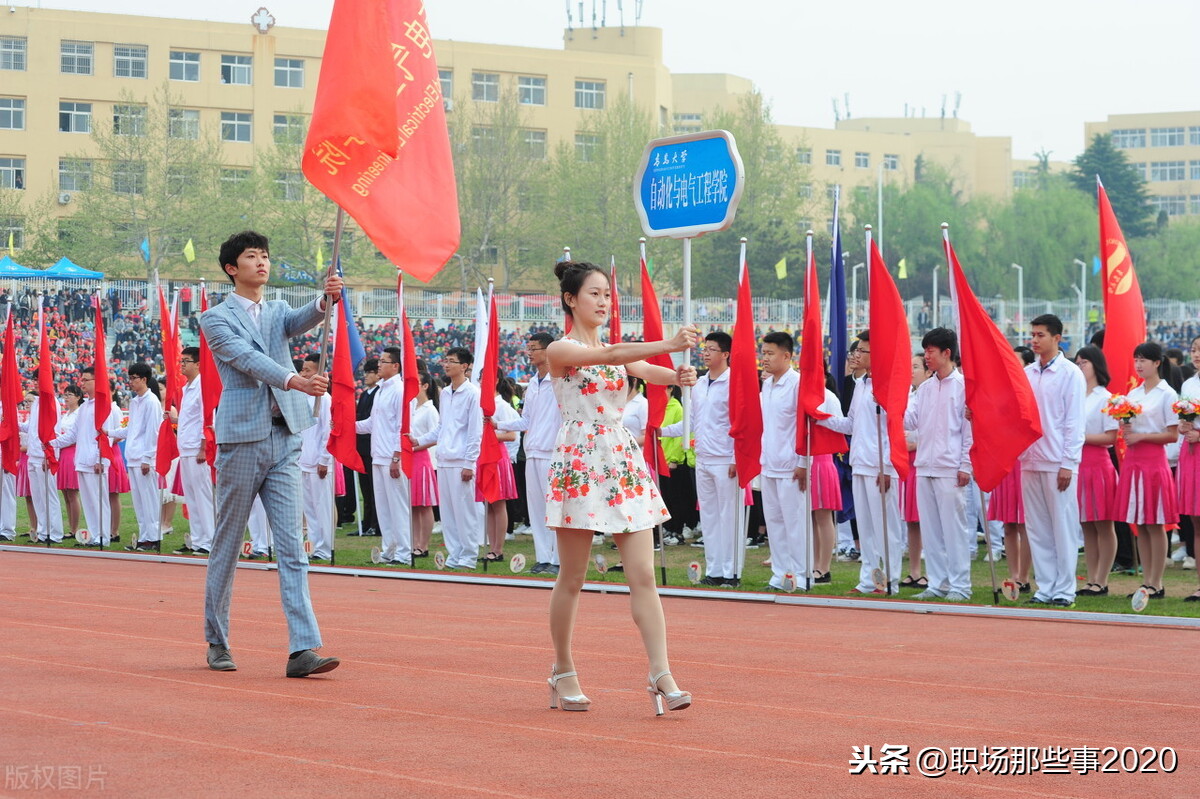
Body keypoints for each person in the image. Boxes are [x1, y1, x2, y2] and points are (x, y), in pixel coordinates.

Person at [543, 260, 697, 714]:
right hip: (580, 460)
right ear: (571, 299)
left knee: (644, 575)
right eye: (594, 294)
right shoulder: (560, 349)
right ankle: (563, 668)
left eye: (608, 295)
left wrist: (678, 375)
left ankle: (660, 672)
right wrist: (670, 343)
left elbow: (651, 372)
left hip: (622, 462)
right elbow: (612, 359)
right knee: (572, 577)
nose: (604, 302)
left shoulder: (614, 347)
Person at [198, 230, 342, 677]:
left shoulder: (277, 309)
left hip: (284, 439)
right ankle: (217, 640)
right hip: (242, 439)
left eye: (265, 256)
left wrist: (326, 299)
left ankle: (303, 649)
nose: (261, 263)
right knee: (227, 543)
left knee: (292, 546)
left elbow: (303, 318)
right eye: (251, 257)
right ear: (231, 268)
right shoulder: (214, 319)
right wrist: (295, 380)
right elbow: (246, 359)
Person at [817, 331, 902, 595]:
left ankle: (891, 580)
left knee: (885, 527)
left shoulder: (889, 385)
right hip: (861, 463)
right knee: (865, 527)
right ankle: (868, 579)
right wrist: (820, 417)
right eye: (857, 351)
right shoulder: (861, 384)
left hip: (881, 467)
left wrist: (887, 467)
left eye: (862, 351)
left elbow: (895, 429)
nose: (856, 355)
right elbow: (851, 424)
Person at [660, 332, 739, 586]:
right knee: (710, 518)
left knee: (729, 517)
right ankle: (714, 570)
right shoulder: (700, 384)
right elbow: (690, 423)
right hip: (703, 458)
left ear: (725, 354)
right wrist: (659, 431)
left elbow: (741, 424)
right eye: (704, 348)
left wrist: (737, 457)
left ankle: (731, 571)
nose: (705, 353)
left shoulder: (734, 383)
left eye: (712, 349)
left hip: (726, 459)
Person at [1020, 314, 1086, 608]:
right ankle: (1045, 587)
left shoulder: (1070, 373)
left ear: (1057, 338)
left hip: (1057, 460)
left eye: (1040, 335)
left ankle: (1065, 589)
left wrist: (1068, 462)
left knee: (1063, 526)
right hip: (1030, 459)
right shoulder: (1028, 374)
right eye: (1032, 334)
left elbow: (1074, 422)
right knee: (1037, 528)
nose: (1034, 340)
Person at [904, 328, 973, 602]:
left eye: (931, 351)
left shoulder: (964, 386)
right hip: (924, 466)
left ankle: (960, 585)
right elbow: (910, 421)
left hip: (950, 467)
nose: (927, 356)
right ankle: (938, 582)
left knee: (954, 529)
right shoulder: (926, 388)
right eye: (926, 351)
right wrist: (891, 402)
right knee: (931, 530)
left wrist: (966, 464)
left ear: (947, 353)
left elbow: (969, 430)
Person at [1116, 341, 1179, 600]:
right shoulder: (1133, 394)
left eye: (1143, 360)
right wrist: (1124, 425)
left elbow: (1172, 434)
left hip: (1154, 462)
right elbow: (1127, 427)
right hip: (1134, 462)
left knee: (1156, 523)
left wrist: (1141, 438)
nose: (1139, 365)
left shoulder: (1167, 394)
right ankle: (1146, 581)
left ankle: (1157, 582)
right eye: (1136, 360)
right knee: (1140, 523)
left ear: (1157, 363)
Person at [759, 331, 821, 591]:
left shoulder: (798, 384)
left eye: (770, 354)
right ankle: (780, 574)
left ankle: (802, 575)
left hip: (791, 465)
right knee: (774, 524)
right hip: (769, 463)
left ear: (787, 355)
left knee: (795, 523)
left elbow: (808, 425)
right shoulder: (767, 384)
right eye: (763, 353)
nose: (765, 358)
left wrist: (803, 462)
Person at [494, 332, 561, 574]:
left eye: (534, 348)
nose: (529, 352)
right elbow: (525, 421)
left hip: (554, 453)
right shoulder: (532, 383)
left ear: (548, 351)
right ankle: (543, 557)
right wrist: (497, 424)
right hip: (532, 452)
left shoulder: (561, 381)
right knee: (537, 509)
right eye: (528, 347)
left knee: (555, 508)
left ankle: (558, 559)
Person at [415, 347, 484, 570]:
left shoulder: (473, 393)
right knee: (448, 513)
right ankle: (454, 554)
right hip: (444, 459)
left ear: (464, 366)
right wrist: (418, 440)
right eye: (445, 361)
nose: (446, 365)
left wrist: (469, 462)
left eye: (451, 361)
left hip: (461, 460)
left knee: (465, 512)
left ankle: (469, 556)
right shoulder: (445, 393)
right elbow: (442, 428)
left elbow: (475, 431)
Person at [49, 367, 122, 547]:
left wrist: (101, 459)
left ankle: (103, 536)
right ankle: (95, 533)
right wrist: (52, 443)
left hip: (96, 461)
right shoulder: (84, 408)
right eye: (82, 380)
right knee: (89, 502)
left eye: (86, 380)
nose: (82, 383)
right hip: (82, 460)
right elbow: (73, 435)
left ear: (97, 382)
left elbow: (108, 437)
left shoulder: (105, 407)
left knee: (99, 500)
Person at [358, 347, 411, 566]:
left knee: (398, 505)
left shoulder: (399, 390)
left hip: (392, 456)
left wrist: (397, 457)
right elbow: (372, 423)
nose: (379, 365)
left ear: (395, 366)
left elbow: (402, 426)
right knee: (384, 507)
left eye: (383, 361)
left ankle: (405, 551)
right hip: (377, 455)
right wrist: (345, 427)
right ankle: (390, 549)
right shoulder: (380, 390)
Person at [1074, 345, 1119, 596]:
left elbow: (1110, 436)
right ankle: (1090, 578)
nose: (1080, 368)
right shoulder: (1076, 393)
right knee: (1086, 524)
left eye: (1084, 363)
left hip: (1098, 463)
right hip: (1078, 463)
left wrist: (1080, 437)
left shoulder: (1106, 397)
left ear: (1096, 365)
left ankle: (1102, 579)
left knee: (1103, 523)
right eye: (1078, 363)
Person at [111, 363, 163, 551]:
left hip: (144, 458)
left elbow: (153, 432)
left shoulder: (152, 402)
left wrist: (147, 458)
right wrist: (108, 432)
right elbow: (131, 429)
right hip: (132, 457)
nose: (131, 382)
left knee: (149, 499)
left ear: (144, 379)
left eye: (134, 378)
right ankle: (144, 537)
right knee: (139, 502)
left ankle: (154, 537)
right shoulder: (135, 402)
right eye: (130, 378)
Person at [172, 347, 214, 555]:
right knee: (192, 497)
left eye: (186, 361)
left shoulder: (202, 386)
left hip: (197, 449)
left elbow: (207, 418)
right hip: (185, 448)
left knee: (203, 496)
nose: (182, 364)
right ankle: (198, 541)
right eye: (182, 361)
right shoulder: (186, 388)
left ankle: (210, 540)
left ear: (198, 364)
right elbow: (190, 419)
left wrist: (203, 446)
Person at [297, 354, 334, 561]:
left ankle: (326, 548)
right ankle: (314, 546)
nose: (303, 374)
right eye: (302, 370)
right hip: (303, 460)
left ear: (320, 372)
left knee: (322, 508)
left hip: (318, 463)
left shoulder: (325, 399)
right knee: (309, 509)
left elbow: (327, 432)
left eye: (307, 370)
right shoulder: (303, 396)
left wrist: (324, 459)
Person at [479, 379, 520, 562]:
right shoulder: (480, 405)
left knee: (498, 503)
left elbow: (512, 435)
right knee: (488, 504)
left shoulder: (502, 406)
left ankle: (498, 549)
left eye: (484, 378)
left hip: (497, 456)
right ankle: (491, 547)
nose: (481, 383)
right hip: (483, 456)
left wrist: (490, 435)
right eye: (480, 379)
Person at [898, 353, 928, 588]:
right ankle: (915, 570)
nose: (911, 371)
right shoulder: (909, 396)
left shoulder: (931, 394)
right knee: (912, 520)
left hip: (923, 458)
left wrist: (916, 443)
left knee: (927, 519)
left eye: (916, 367)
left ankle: (932, 571)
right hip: (907, 461)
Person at [21, 388, 62, 544]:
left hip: (45, 455)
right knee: (38, 497)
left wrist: (49, 455)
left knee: (49, 495)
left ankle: (55, 532)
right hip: (33, 455)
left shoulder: (51, 403)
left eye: (38, 380)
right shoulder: (36, 405)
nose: (36, 383)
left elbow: (54, 430)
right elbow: (30, 428)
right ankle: (43, 531)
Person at [1177, 335, 1200, 602]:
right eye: (1194, 350)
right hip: (1191, 454)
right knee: (1196, 521)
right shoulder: (1188, 384)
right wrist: (1185, 427)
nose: (1196, 354)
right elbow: (1183, 418)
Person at [409, 372, 440, 559]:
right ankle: (414, 543)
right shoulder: (412, 407)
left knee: (424, 504)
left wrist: (416, 446)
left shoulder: (430, 410)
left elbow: (436, 436)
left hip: (422, 458)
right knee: (413, 504)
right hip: (410, 459)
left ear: (425, 386)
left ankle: (424, 545)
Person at [56, 385, 84, 537]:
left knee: (72, 492)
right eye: (65, 395)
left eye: (70, 395)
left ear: (78, 397)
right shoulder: (65, 414)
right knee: (65, 493)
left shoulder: (80, 413)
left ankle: (75, 528)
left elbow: (76, 435)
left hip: (72, 451)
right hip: (62, 452)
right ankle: (70, 526)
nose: (66, 398)